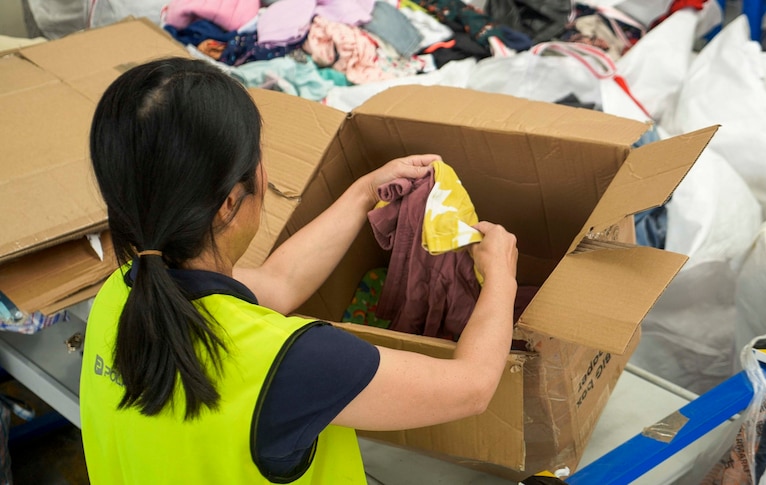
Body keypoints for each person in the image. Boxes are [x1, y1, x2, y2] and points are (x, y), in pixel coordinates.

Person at [79, 57, 519, 484]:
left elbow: (278, 284)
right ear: (231, 201)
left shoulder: (118, 294)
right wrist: (500, 275)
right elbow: (471, 387)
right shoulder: (292, 362)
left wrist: (364, 193)